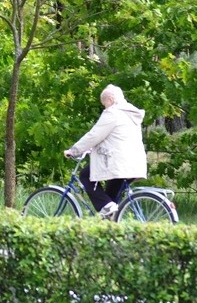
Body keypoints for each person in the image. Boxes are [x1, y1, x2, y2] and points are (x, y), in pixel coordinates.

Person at [63, 84, 147, 219]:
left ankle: (107, 208)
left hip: (118, 162)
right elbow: (116, 138)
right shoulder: (130, 114)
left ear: (111, 99)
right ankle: (110, 227)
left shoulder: (113, 112)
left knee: (85, 175)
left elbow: (95, 135)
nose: (105, 108)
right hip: (134, 162)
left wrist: (74, 150)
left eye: (105, 104)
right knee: (110, 203)